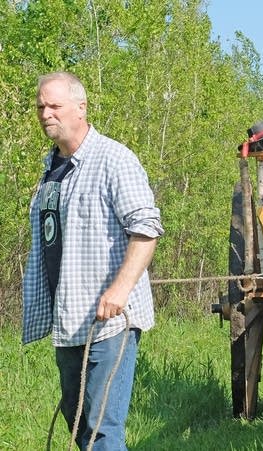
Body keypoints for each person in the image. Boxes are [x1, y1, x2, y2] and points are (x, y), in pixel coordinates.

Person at [22, 71, 164, 450]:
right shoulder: (51, 168)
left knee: (102, 429)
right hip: (68, 319)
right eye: (40, 106)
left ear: (81, 108)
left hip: (110, 323)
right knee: (77, 426)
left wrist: (120, 288)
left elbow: (147, 229)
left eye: (54, 105)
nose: (45, 113)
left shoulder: (113, 159)